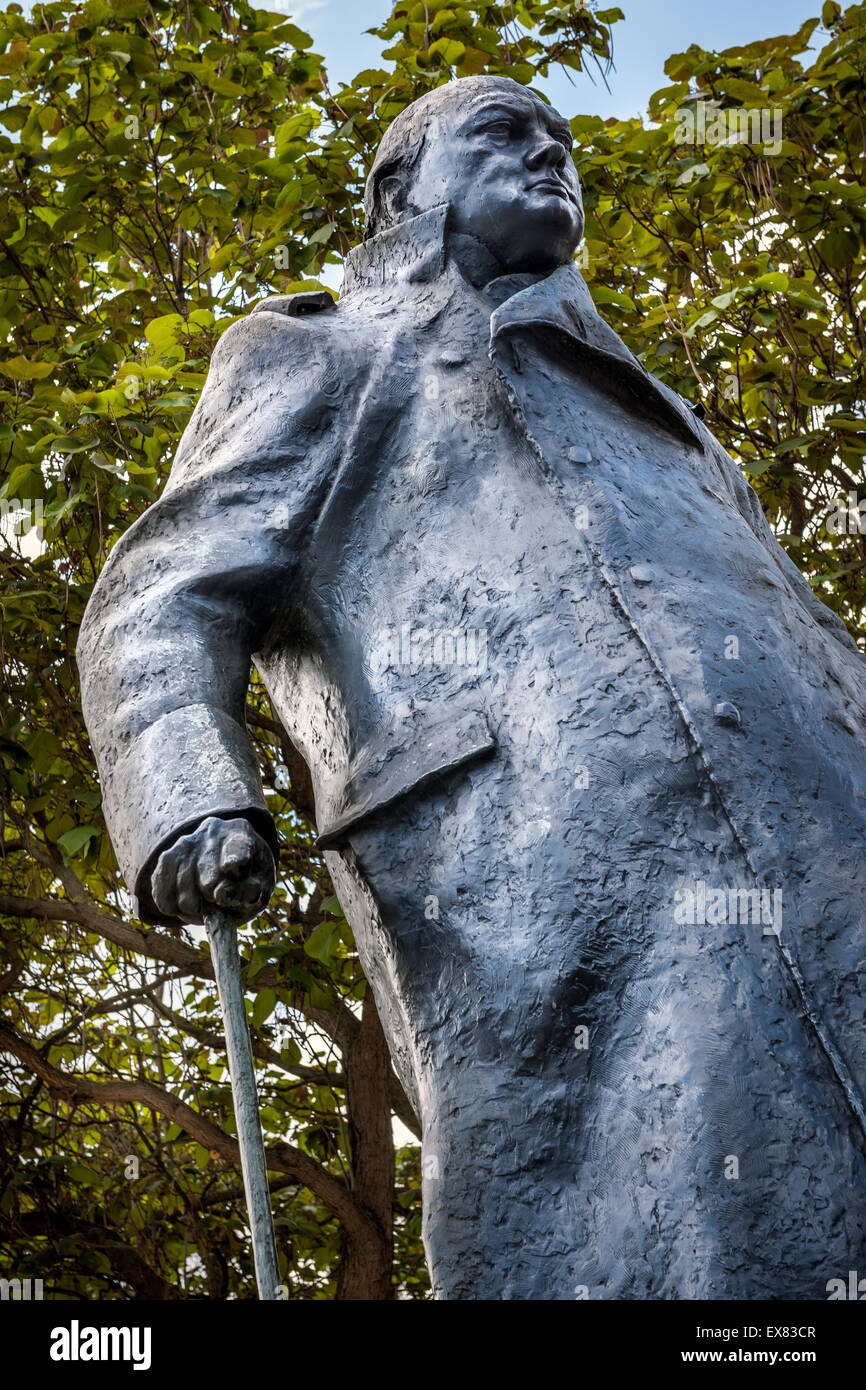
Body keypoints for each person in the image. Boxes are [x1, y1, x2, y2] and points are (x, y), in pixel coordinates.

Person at [78, 76, 866, 1299]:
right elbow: (161, 593)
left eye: (561, 140)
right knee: (666, 1232)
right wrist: (186, 790)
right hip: (543, 888)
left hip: (831, 840)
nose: (548, 153)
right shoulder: (315, 354)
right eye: (503, 132)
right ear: (402, 189)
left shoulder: (672, 423)